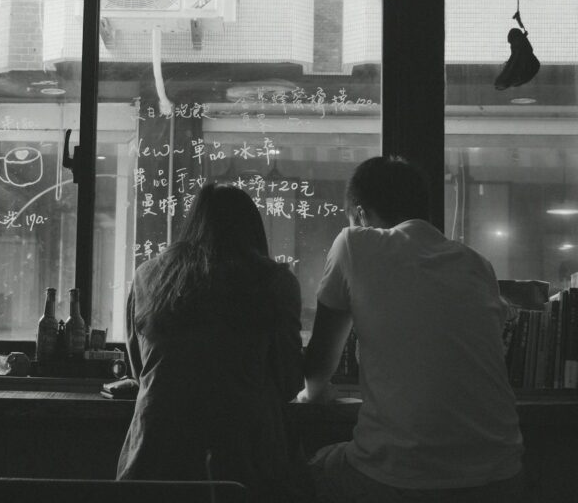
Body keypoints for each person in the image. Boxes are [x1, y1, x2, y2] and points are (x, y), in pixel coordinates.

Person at [300, 156, 524, 503]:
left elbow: (318, 368)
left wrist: (311, 394)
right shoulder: (477, 264)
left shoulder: (354, 243)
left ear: (359, 214)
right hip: (502, 473)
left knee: (307, 470)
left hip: (404, 475)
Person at [117, 183, 307, 503]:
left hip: (153, 459)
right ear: (254, 231)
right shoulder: (275, 282)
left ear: (191, 225)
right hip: (247, 466)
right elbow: (289, 382)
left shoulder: (148, 276)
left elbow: (140, 372)